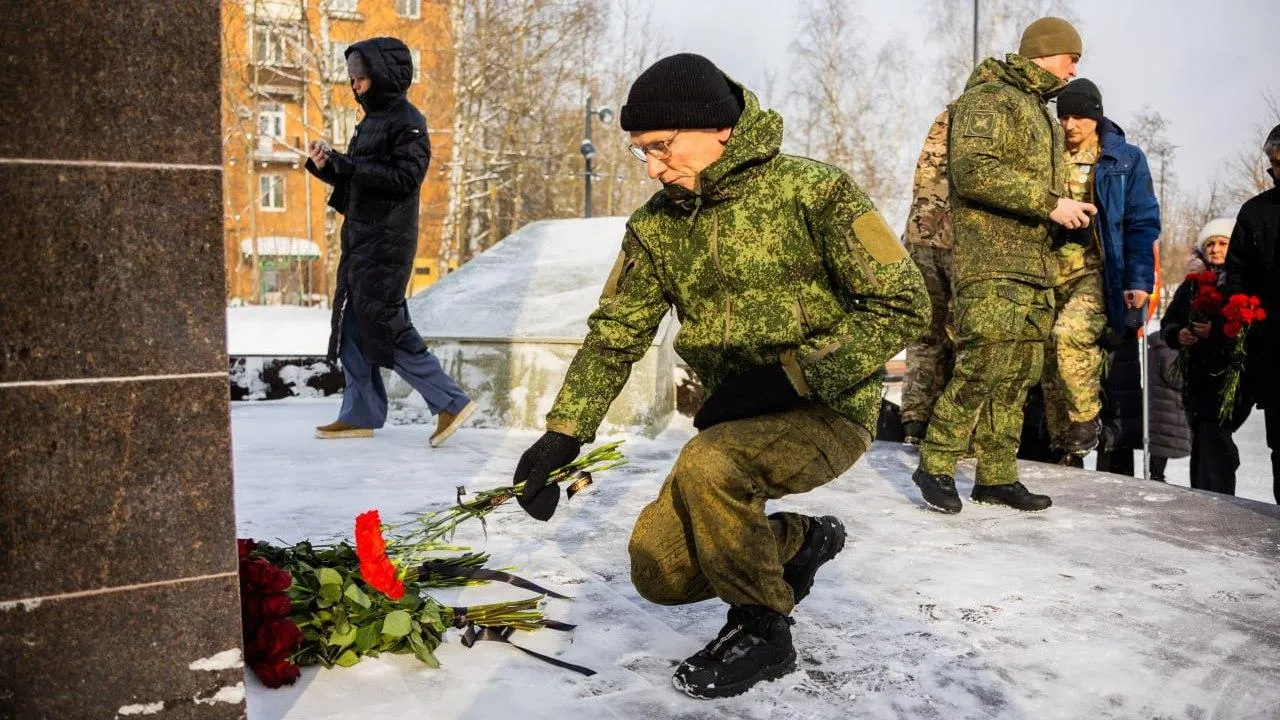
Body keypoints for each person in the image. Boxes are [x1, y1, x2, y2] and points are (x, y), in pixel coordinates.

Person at [510, 54, 927, 699]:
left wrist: (796, 374)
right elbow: (615, 333)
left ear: (717, 128)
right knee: (660, 570)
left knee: (710, 465)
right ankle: (799, 541)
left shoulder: (814, 192)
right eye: (639, 153)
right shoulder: (656, 228)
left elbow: (904, 304)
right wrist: (563, 436)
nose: (652, 166)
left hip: (826, 409)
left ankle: (763, 630)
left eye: (660, 147)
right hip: (733, 420)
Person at [913, 17, 1095, 513]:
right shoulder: (990, 97)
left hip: (1033, 264)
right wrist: (1050, 202)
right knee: (983, 362)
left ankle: (996, 475)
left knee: (1018, 372)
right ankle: (936, 461)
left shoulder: (1037, 109)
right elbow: (975, 171)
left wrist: (1066, 217)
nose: (1075, 68)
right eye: (1071, 57)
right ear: (1043, 52)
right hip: (991, 262)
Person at [306, 37, 475, 447]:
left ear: (381, 76)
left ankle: (450, 401)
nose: (355, 86)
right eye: (352, 78)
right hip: (361, 239)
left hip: (387, 242)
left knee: (385, 324)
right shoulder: (371, 122)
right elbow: (357, 183)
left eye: (361, 78)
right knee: (352, 326)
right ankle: (359, 413)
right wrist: (327, 166)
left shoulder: (407, 121)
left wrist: (348, 164)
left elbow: (404, 180)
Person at [1043, 79, 1160, 462]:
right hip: (1046, 272)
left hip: (1097, 272)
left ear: (1096, 116)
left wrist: (1140, 281)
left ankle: (1085, 419)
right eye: (1064, 116)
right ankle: (1067, 445)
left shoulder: (1124, 159)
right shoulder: (1045, 152)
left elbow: (1141, 223)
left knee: (1070, 335)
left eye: (1078, 116)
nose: (1070, 125)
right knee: (1046, 355)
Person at [1161, 219, 1252, 495]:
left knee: (1214, 434)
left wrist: (1217, 333)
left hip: (1231, 378)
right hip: (1197, 378)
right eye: (1210, 244)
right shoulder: (1191, 285)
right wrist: (1179, 334)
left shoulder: (1242, 281)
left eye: (1222, 243)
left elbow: (1250, 330)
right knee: (1203, 438)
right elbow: (1168, 324)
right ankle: (1203, 496)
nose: (1215, 249)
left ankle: (1215, 498)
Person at [1224, 123, 1280, 503]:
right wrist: (1242, 313)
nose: (1276, 169)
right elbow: (1235, 276)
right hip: (1273, 350)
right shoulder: (1255, 212)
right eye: (1274, 162)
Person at [900, 110, 955, 445]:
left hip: (919, 232)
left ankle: (915, 421)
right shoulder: (987, 117)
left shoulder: (942, 118)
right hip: (953, 238)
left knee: (924, 336)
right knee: (961, 334)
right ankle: (952, 429)